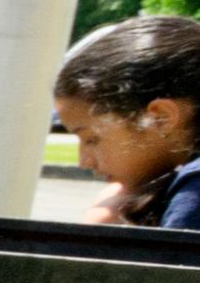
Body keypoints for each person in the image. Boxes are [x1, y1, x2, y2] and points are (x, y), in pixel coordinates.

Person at [54, 12, 200, 231]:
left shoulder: (194, 195)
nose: (84, 162)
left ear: (160, 117)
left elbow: (163, 267)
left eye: (91, 139)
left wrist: (99, 231)